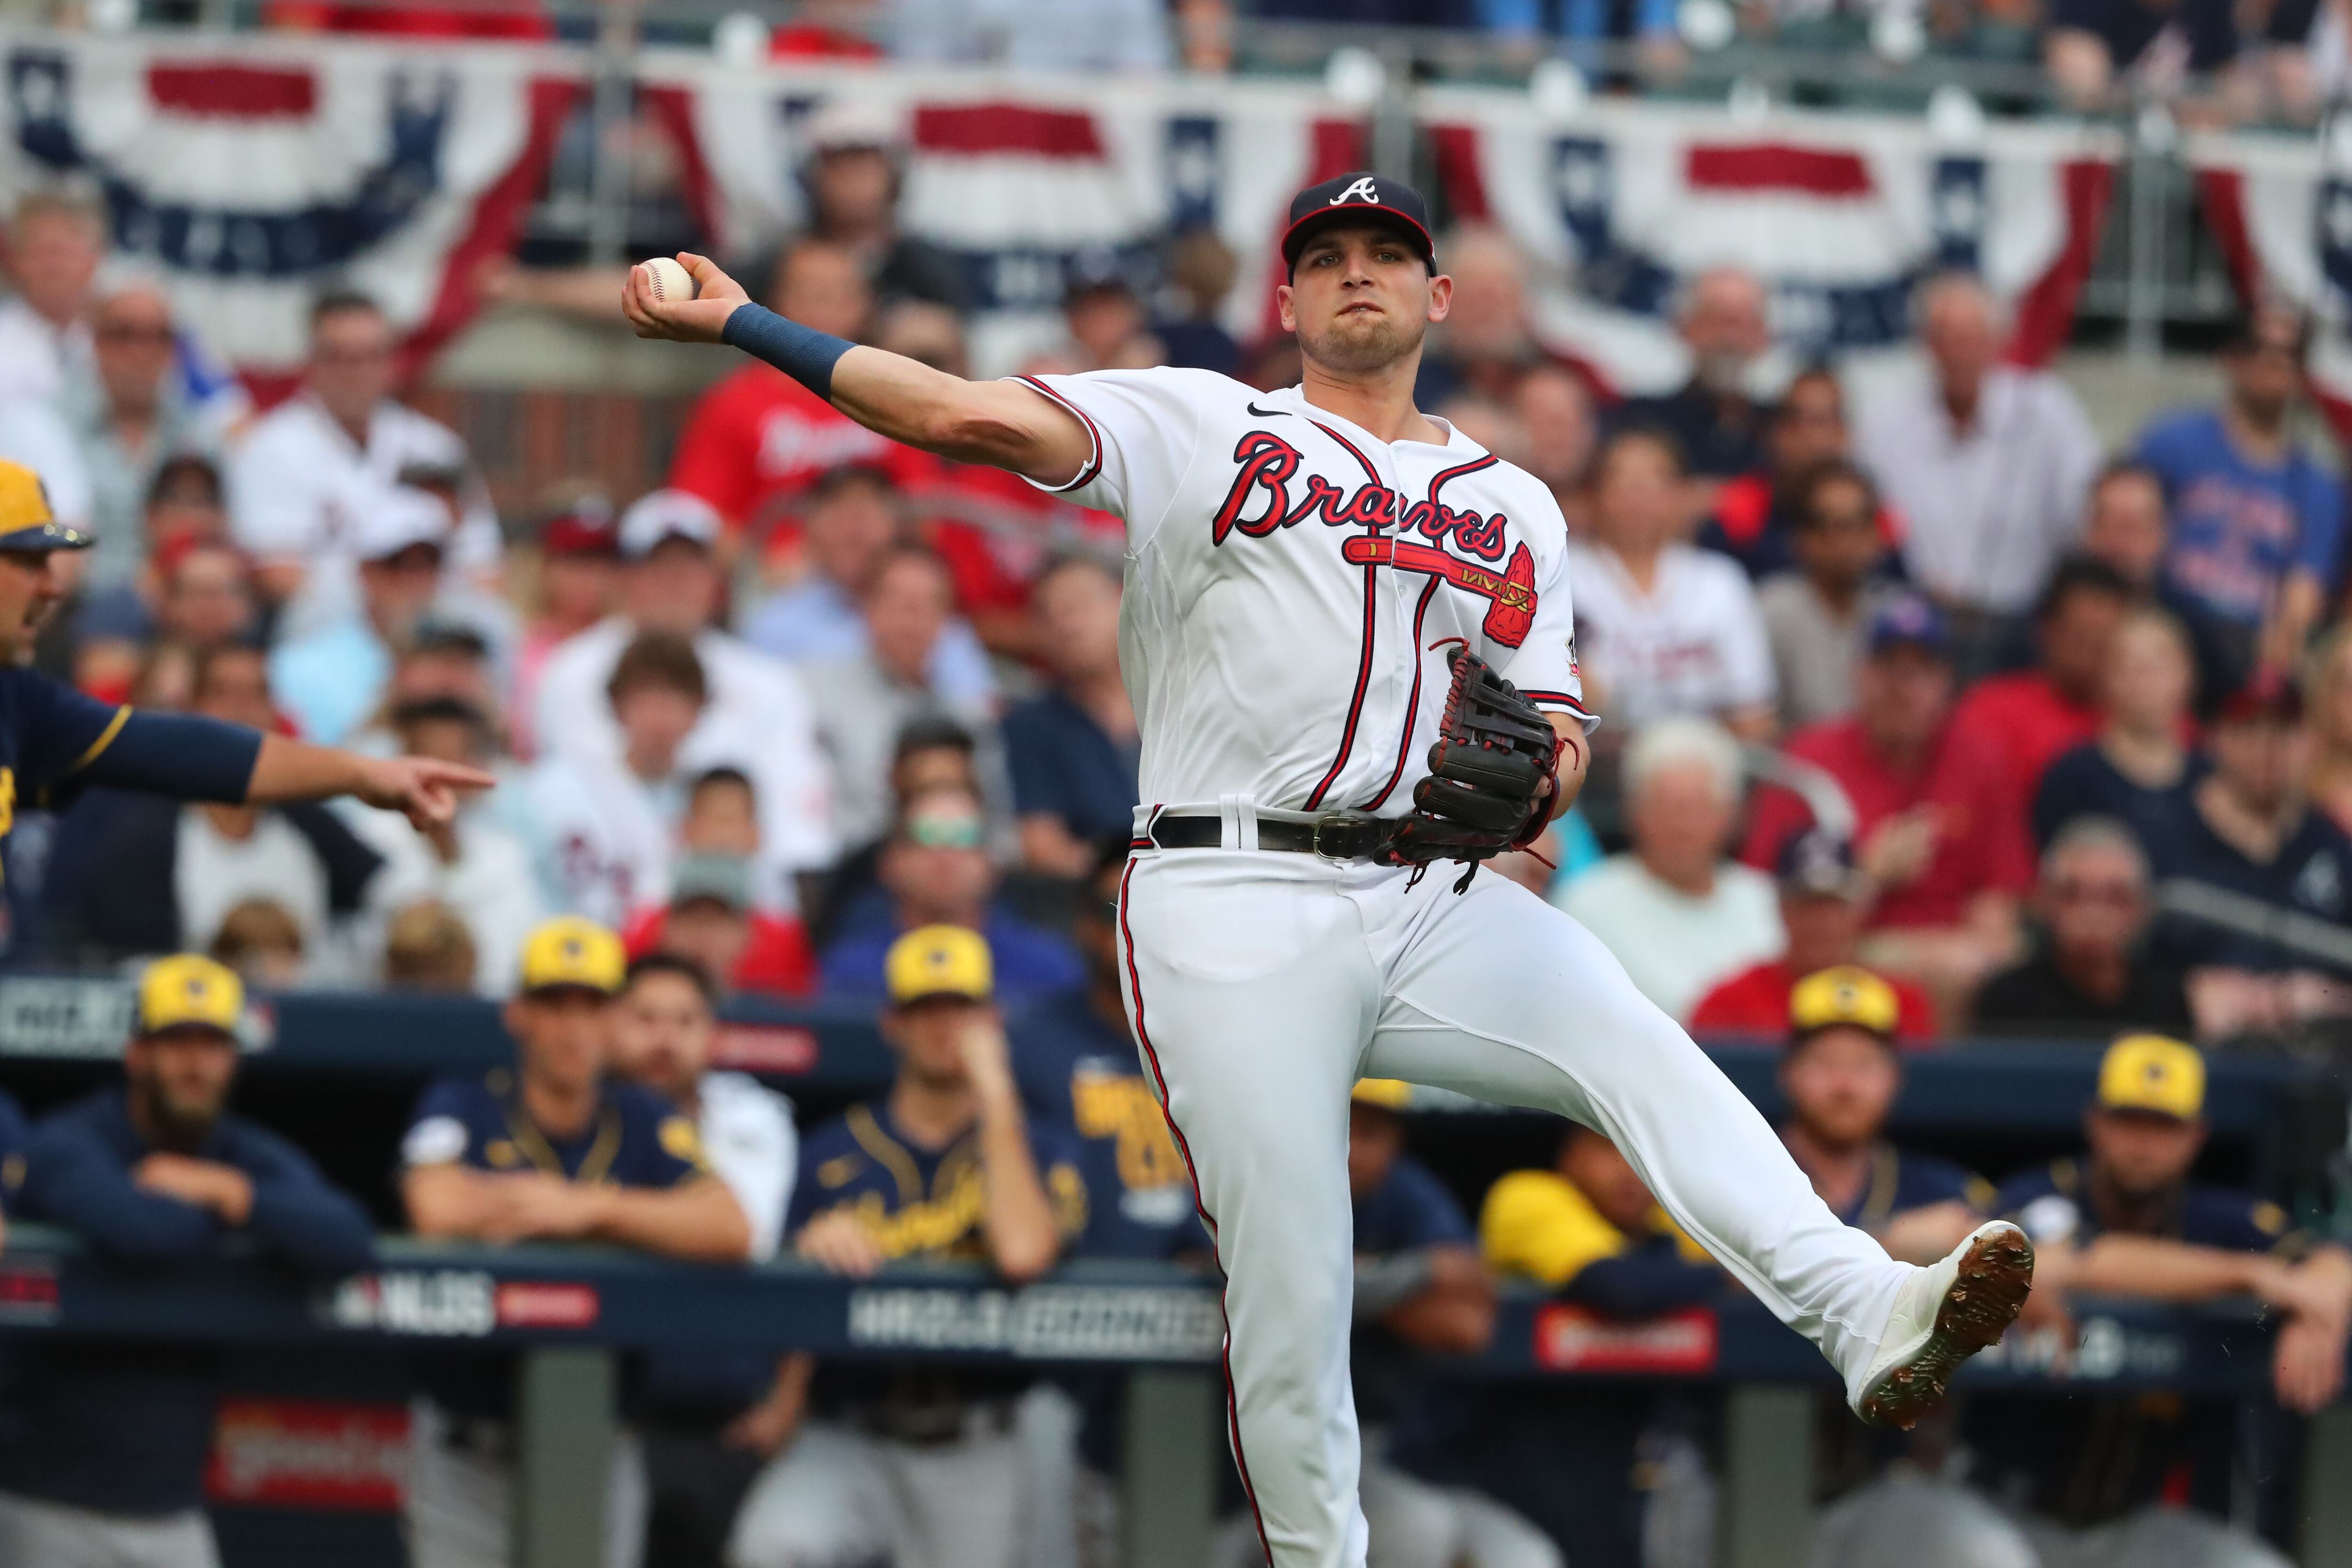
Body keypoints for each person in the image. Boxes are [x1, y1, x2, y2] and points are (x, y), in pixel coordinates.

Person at [626, 171, 2034, 1568]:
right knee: (1296, 1286)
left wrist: (1544, 778)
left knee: (1638, 1042)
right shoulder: (1199, 418)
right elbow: (962, 414)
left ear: (1435, 298)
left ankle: (1860, 1309)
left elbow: (1554, 732)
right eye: (1326, 253)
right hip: (1224, 887)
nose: (1355, 270)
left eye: (1384, 251)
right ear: (1287, 296)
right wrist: (756, 327)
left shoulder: (1515, 505)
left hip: (1423, 890)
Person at [726, 925, 1090, 1568]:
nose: (944, 1026)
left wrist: (997, 1096)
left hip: (975, 1438)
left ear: (992, 1020)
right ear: (893, 1022)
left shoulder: (1042, 1146)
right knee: (773, 1547)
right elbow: (788, 1312)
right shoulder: (830, 1151)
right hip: (849, 1430)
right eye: (925, 1009)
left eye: (962, 1008)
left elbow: (1024, 1253)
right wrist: (812, 1251)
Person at [0, 954, 374, 1568]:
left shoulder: (231, 1152)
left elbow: (347, 1239)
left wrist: (228, 1191)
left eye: (213, 1044)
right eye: (176, 1042)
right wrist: (237, 1212)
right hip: (47, 1504)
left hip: (173, 1514)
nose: (195, 1064)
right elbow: (145, 1235)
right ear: (137, 1053)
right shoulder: (72, 1137)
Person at [400, 917, 752, 1568]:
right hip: (467, 1444)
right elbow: (435, 1203)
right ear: (519, 1014)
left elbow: (728, 1225)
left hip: (594, 1443)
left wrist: (587, 1207)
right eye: (555, 1004)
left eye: (592, 1006)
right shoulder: (466, 1101)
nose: (573, 1026)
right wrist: (632, 1216)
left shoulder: (643, 1118)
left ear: (615, 1020)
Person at [1975, 1035, 2352, 1565]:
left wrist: (2325, 1308)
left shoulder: (2215, 1217)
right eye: (2129, 1121)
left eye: (2163, 1126)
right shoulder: (2039, 1193)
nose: (2143, 1144)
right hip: (1996, 1505)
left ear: (2195, 1136)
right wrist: (2251, 1275)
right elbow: (2058, 1259)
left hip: (2134, 1526)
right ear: (2095, 1122)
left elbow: (2324, 1260)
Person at [43, 629, 469, 971]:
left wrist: (421, 917)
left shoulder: (303, 818)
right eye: (224, 694)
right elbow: (132, 965)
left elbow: (386, 885)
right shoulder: (146, 832)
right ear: (192, 708)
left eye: (256, 694)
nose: (241, 711)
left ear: (273, 711)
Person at [1410, 1124, 1726, 1568]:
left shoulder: (1673, 1220)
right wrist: (1719, 1275)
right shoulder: (1528, 1196)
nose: (1628, 1170)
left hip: (1602, 1477)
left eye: (1642, 1152)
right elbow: (1619, 1288)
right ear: (1570, 1154)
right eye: (1608, 1149)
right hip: (1476, 1470)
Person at [1301, 1079, 1559, 1568]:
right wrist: (1413, 1274)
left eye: (1371, 1130)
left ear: (1396, 1140)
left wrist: (1350, 1288)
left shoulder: (1404, 1192)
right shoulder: (1271, 1182)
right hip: (1261, 1458)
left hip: (1382, 1452)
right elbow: (1269, 1283)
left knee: (1526, 1559)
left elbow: (1466, 1325)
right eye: (1340, 1125)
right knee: (1417, 1530)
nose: (1351, 1146)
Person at [1741, 593, 2032, 1017]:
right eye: (1889, 669)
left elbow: (2000, 901)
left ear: (1947, 680)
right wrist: (1867, 875)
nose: (1903, 687)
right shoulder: (1811, 759)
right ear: (1859, 674)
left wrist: (1976, 948)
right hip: (1841, 951)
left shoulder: (1980, 761)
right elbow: (1765, 901)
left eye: (1921, 671)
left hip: (1955, 955)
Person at [610, 952, 805, 1568]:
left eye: (685, 1021)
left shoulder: (755, 1115)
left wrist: (597, 1210)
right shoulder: (583, 1112)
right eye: (646, 1018)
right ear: (612, 1024)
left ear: (712, 1032)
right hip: (610, 1407)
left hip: (730, 1406)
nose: (665, 1040)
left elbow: (745, 1236)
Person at [533, 489, 835, 879]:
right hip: (606, 883)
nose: (675, 582)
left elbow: (795, 817)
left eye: (691, 566)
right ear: (626, 575)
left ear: (715, 579)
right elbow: (581, 796)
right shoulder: (570, 673)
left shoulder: (770, 682)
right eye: (658, 566)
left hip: (738, 888)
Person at [1854, 274, 2100, 672]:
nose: (1957, 353)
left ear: (1999, 341)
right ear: (1925, 345)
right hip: (1918, 622)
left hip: (2024, 622)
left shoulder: (2048, 410)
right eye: (1944, 337)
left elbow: (2083, 510)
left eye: (1971, 338)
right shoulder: (1884, 422)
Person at [228, 292, 500, 640]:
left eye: (371, 356)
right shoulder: (271, 446)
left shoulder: (437, 447)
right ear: (312, 361)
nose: (356, 372)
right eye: (340, 357)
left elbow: (484, 569)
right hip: (323, 639)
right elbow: (276, 575)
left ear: (391, 362)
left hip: (436, 638)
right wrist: (383, 604)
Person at [1009, 840, 1197, 1259]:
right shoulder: (1031, 1044)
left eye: (1150, 914)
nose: (1134, 930)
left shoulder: (1222, 1041)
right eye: (1116, 910)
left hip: (1200, 1292)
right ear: (1085, 925)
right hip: (1069, 1290)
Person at [2135, 304, 2343, 680]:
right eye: (2257, 346)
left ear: (2302, 376)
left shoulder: (2319, 487)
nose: (2271, 360)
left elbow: (2304, 597)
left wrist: (2277, 653)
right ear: (2230, 358)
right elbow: (2131, 542)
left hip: (2251, 657)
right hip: (2168, 635)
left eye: (2288, 353)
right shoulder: (2170, 443)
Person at [2144, 672, 2352, 1036]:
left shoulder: (2334, 846)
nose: (2266, 747)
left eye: (2283, 731)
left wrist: (2329, 998)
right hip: (2190, 1053)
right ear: (2214, 738)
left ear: (2311, 742)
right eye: (2248, 728)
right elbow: (2115, 972)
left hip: (2319, 1062)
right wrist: (2178, 995)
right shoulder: (2163, 839)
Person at [666, 240, 916, 538]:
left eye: (841, 295)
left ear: (866, 305)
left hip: (878, 576)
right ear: (777, 301)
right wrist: (763, 571)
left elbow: (922, 510)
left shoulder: (891, 391)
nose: (826, 308)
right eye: (812, 294)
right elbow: (696, 515)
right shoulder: (735, 400)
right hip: (773, 577)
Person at [1554, 717, 1784, 1022]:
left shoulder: (1768, 900)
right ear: (1633, 811)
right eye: (1668, 807)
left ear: (1732, 816)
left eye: (1700, 807)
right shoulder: (1584, 905)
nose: (1683, 826)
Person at [1565, 428, 1777, 738]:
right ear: (1593, 493)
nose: (1637, 494)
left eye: (1654, 480)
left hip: (1707, 760)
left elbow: (1754, 712)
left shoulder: (1720, 580)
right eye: (1621, 481)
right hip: (1592, 760)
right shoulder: (1560, 574)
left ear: (1682, 494)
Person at [341, 695, 545, 996]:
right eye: (434, 759)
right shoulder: (366, 842)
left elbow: (524, 951)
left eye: (457, 758)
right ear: (404, 760)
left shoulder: (506, 853)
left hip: (492, 1016)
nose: (444, 776)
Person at [799, 545, 1000, 850]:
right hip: (843, 874)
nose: (912, 616)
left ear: (947, 620)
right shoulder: (811, 695)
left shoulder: (969, 719)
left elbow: (997, 831)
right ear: (866, 608)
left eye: (927, 604)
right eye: (898, 601)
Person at [1778, 968, 1990, 1256]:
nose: (1845, 1084)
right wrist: (1888, 1243)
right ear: (1789, 1074)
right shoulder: (1745, 1177)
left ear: (1894, 1077)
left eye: (1864, 1065)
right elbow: (1705, 1280)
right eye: (1825, 1063)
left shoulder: (1943, 1191)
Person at [739, 463, 990, 702]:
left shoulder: (936, 620)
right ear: (811, 525)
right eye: (840, 512)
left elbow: (974, 714)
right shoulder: (774, 624)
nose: (855, 532)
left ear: (897, 526)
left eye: (869, 513)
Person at [819, 784, 1082, 1003]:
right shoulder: (849, 971)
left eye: (965, 837)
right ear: (890, 863)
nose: (946, 856)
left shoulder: (1047, 968)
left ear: (992, 863)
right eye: (927, 836)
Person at [58, 270, 233, 593]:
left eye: (157, 336)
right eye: (124, 334)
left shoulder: (200, 432)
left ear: (175, 350)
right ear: (96, 344)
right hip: (78, 604)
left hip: (182, 606)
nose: (141, 352)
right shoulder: (54, 427)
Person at [1943, 557, 2135, 848]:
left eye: (2106, 638)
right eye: (2081, 636)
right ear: (2046, 631)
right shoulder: (1990, 709)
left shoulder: (2151, 719)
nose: (2094, 652)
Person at [1690, 828, 1939, 1042]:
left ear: (1860, 910)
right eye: (1808, 905)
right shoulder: (1728, 1005)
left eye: (1836, 905)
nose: (1823, 922)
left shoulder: (1902, 1004)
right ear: (1781, 909)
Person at [267, 486, 469, 747]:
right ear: (364, 571)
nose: (415, 580)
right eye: (396, 563)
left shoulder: (470, 658)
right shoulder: (299, 667)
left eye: (430, 564)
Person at [1973, 816, 2194, 1039]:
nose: (2093, 914)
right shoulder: (2008, 1001)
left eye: (2114, 897)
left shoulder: (2167, 999)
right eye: (2073, 895)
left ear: (2142, 908)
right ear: (2043, 902)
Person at [1004, 554, 1139, 875]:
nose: (1068, 625)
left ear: (1127, 601)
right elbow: (1043, 847)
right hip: (1096, 903)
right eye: (1050, 615)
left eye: (1081, 606)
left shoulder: (1181, 702)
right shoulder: (1029, 725)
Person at [2033, 604, 2205, 852]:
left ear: (2188, 674)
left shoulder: (2212, 781)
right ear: (2105, 677)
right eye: (2127, 663)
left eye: (2158, 663)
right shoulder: (2071, 777)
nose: (2143, 677)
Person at [2074, 460, 2241, 709]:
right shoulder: (2052, 622)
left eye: (2137, 526)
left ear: (2164, 533)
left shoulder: (2192, 627)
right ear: (2088, 531)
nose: (2122, 542)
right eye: (2111, 523)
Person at [1754, 457, 1903, 728]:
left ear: (1876, 534)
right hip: (1793, 764)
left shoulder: (1898, 612)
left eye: (1856, 523)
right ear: (1800, 538)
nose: (1843, 540)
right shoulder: (1771, 610)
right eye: (1826, 524)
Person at [795, 99, 966, 311]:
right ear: (813, 178)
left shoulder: (931, 268)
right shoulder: (782, 266)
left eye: (866, 165)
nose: (852, 178)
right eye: (838, 166)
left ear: (895, 177)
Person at [1614, 265, 1775, 487]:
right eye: (1715, 320)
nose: (1728, 339)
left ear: (1763, 336)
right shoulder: (1639, 420)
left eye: (1741, 323)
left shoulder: (1785, 428)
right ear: (1684, 327)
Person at [1697, 366, 1862, 581]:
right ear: (1776, 431)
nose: (1806, 434)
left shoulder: (1866, 505)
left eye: (1820, 421)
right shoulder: (1744, 502)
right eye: (1794, 419)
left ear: (1843, 433)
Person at [512, 493, 620, 760]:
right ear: (545, 566)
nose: (584, 576)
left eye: (596, 562)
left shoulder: (626, 643)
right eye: (571, 560)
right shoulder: (517, 643)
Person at [0, 187, 103, 404]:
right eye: (40, 253)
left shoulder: (129, 339)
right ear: (15, 261)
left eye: (65, 253)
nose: (54, 267)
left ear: (93, 260)